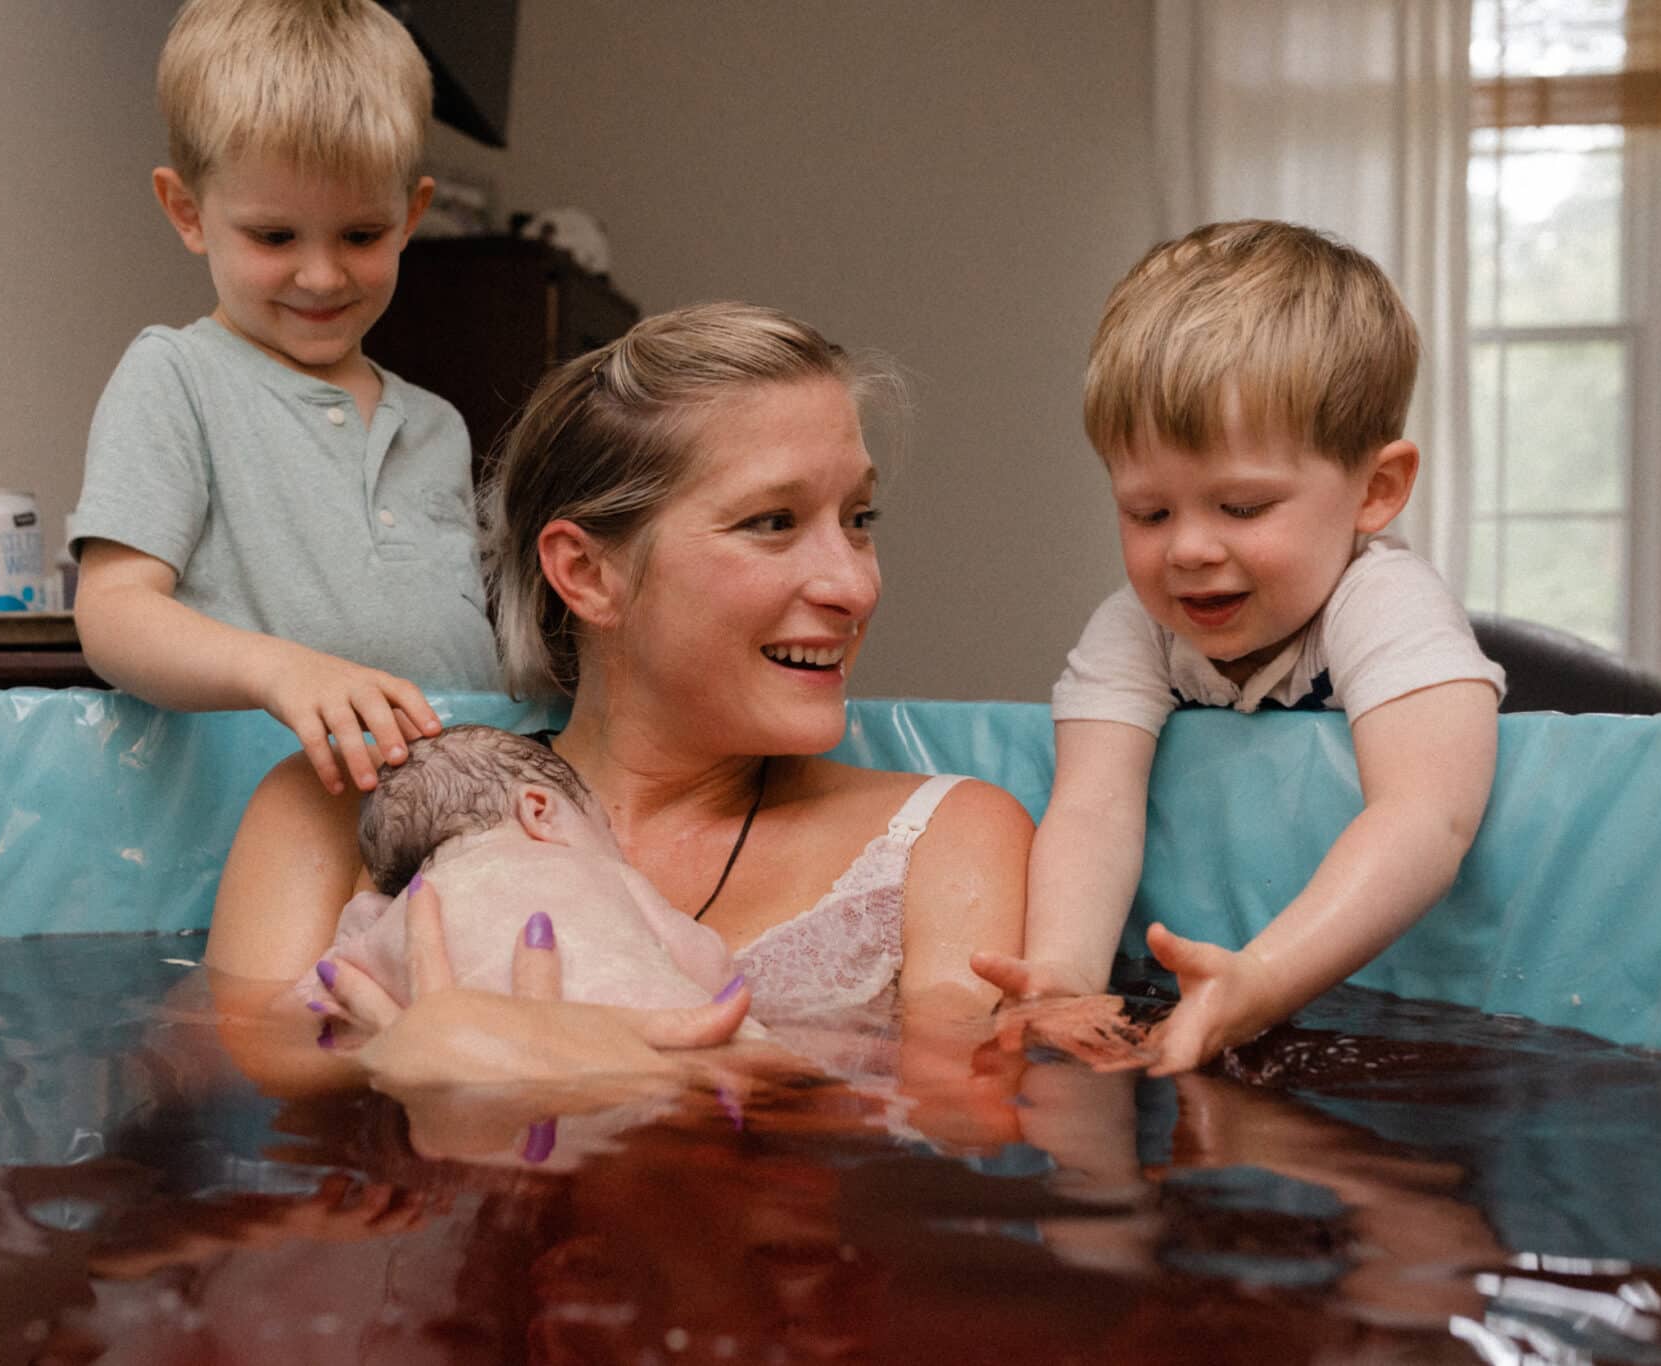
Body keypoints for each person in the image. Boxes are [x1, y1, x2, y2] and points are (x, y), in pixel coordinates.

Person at [205, 301, 1034, 1086]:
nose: (854, 585)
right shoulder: (345, 803)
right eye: (773, 522)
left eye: (860, 518)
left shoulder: (946, 841)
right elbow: (192, 1074)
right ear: (587, 573)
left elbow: (964, 1122)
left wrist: (617, 1061)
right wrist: (405, 1057)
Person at [973, 220, 1506, 1076]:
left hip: (1403, 997)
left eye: (1242, 509)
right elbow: (1093, 807)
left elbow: (1424, 815)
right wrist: (1065, 976)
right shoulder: (1136, 625)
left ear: (1377, 490)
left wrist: (1260, 980)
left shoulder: (1386, 602)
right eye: (1149, 513)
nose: (1186, 550)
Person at [70, 0, 498, 796]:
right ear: (188, 213)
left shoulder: (439, 427)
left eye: (361, 236)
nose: (323, 275)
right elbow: (114, 614)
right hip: (260, 830)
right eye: (275, 238)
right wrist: (278, 671)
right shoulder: (176, 378)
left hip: (441, 818)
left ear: (411, 217)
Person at [329, 723, 741, 1010]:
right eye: (604, 828)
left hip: (479, 1087)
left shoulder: (401, 916)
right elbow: (707, 964)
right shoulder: (605, 874)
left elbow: (325, 992)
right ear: (539, 810)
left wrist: (366, 923)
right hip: (656, 1048)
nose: (616, 849)